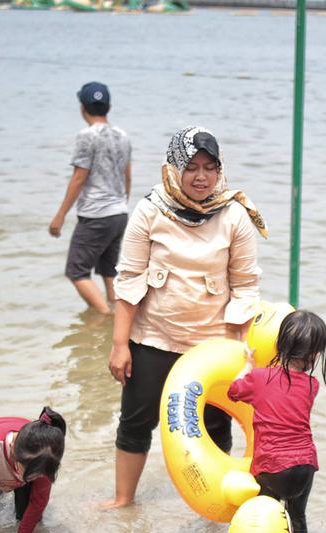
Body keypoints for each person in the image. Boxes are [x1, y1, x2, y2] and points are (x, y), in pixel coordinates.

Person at [101, 125, 267, 509]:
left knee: (213, 426)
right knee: (136, 420)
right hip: (154, 337)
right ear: (174, 167)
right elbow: (128, 280)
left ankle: (216, 506)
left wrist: (244, 351)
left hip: (213, 343)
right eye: (191, 166)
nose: (201, 177)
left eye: (210, 167)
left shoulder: (234, 215)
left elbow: (245, 287)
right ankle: (123, 500)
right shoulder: (149, 210)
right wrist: (119, 344)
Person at [227, 310, 326, 533]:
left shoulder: (259, 378)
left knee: (264, 516)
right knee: (297, 516)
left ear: (280, 344)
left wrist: (249, 364)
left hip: (272, 465)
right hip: (305, 465)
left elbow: (233, 391)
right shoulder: (312, 385)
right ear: (315, 354)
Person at [49, 82, 132, 315]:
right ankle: (118, 316)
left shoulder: (87, 136)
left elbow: (79, 177)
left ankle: (104, 317)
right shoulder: (123, 136)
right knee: (108, 270)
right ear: (109, 107)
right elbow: (128, 176)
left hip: (96, 214)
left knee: (76, 271)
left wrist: (60, 215)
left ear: (82, 107)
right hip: (119, 212)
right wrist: (121, 204)